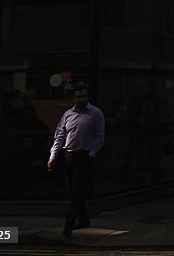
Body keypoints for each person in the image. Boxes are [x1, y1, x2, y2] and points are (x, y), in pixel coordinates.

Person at [48, 83, 105, 237]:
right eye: (78, 97)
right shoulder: (68, 114)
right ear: (74, 98)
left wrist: (91, 155)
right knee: (73, 190)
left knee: (77, 191)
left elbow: (100, 137)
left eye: (84, 96)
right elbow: (60, 135)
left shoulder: (95, 113)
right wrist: (53, 155)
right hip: (69, 155)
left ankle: (69, 224)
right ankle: (84, 218)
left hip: (84, 155)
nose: (81, 99)